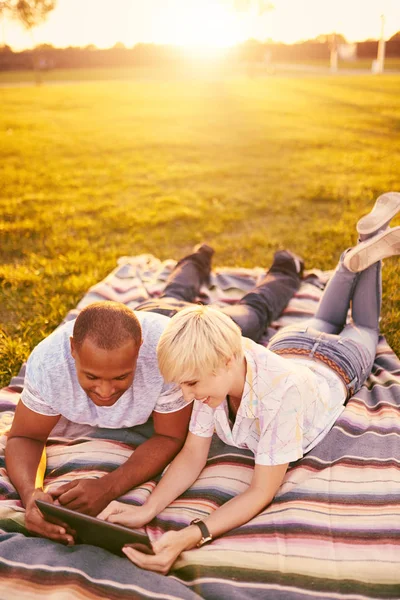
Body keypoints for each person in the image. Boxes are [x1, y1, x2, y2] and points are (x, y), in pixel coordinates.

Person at [99, 192, 400, 575]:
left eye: (191, 384)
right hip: (290, 346)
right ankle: (360, 246)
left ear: (228, 360)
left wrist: (192, 534)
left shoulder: (279, 398)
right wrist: (149, 509)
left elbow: (261, 490)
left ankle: (363, 251)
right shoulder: (211, 373)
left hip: (335, 363)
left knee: (364, 328)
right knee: (327, 320)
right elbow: (193, 455)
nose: (185, 395)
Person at [5, 243, 303, 545]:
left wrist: (108, 486)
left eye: (122, 376)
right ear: (72, 351)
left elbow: (171, 437)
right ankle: (196, 257)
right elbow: (24, 437)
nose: (105, 392)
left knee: (251, 312)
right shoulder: (49, 363)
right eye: (92, 377)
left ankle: (285, 268)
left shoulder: (171, 363)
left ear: (140, 352)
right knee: (172, 295)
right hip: (145, 319)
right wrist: (32, 496)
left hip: (181, 334)